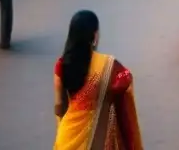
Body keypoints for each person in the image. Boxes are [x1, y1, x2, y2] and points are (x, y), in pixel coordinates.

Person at [53, 11, 143, 149]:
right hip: (97, 138)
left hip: (67, 136)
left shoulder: (61, 65)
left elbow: (60, 106)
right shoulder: (108, 65)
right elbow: (125, 82)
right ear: (94, 35)